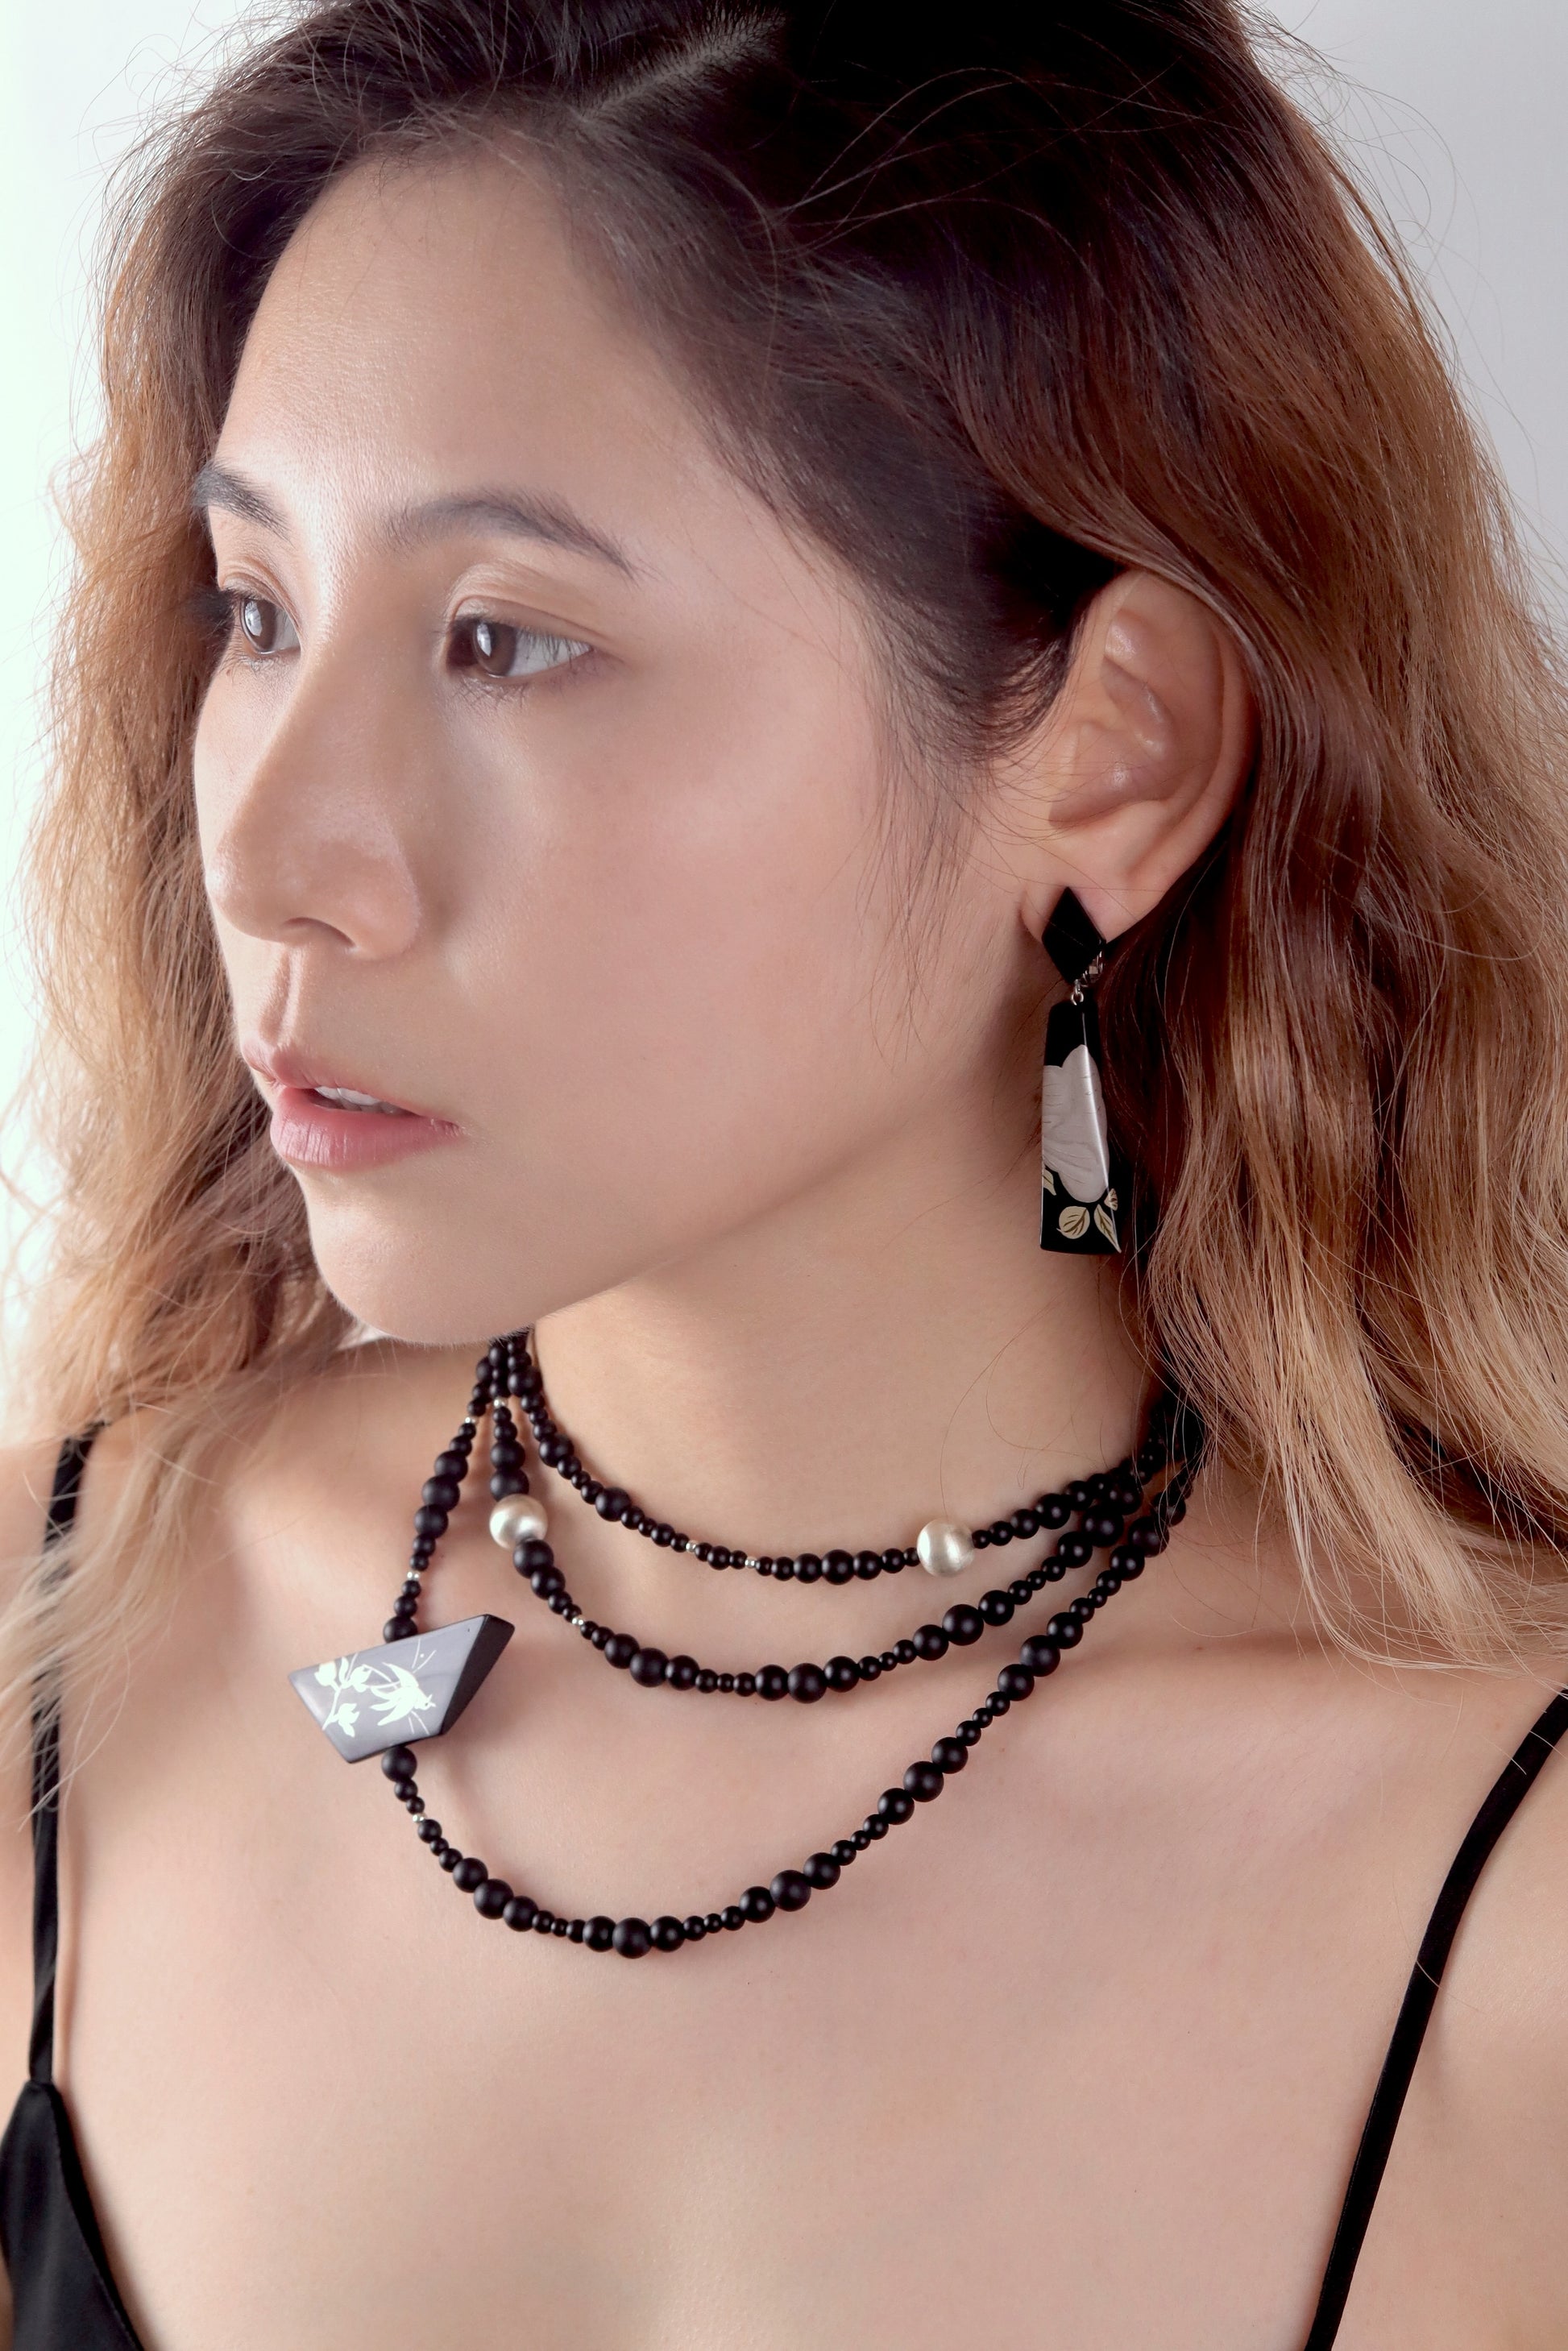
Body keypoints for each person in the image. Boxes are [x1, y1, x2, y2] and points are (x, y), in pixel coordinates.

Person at [3, 0, 1567, 2342]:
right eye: (255, 610)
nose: (270, 843)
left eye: (505, 641)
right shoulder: (58, 1658)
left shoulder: (1507, 1917)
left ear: (1109, 761)